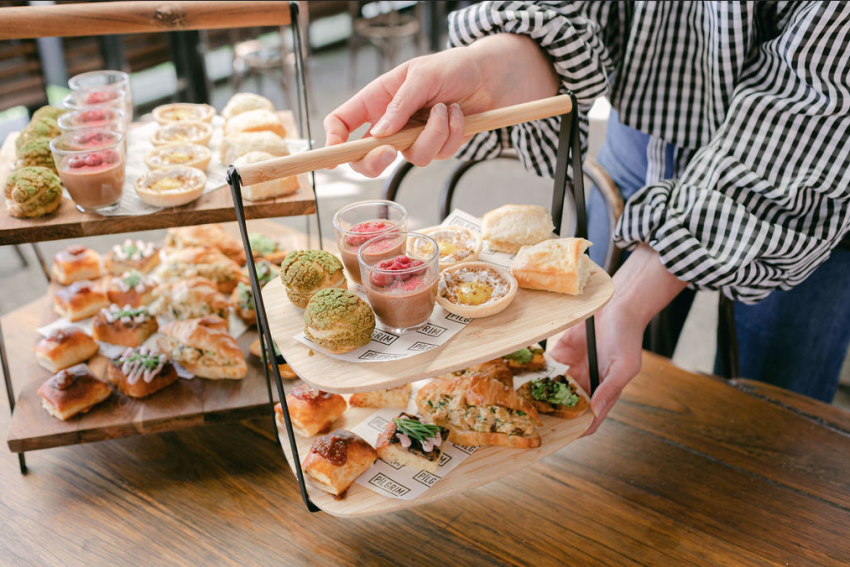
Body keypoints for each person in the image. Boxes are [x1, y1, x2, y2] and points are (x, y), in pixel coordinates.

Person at [324, 2, 850, 434]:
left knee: (771, 426)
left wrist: (628, 296)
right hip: (642, 144)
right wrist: (498, 65)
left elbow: (812, 104)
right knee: (596, 390)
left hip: (805, 190)